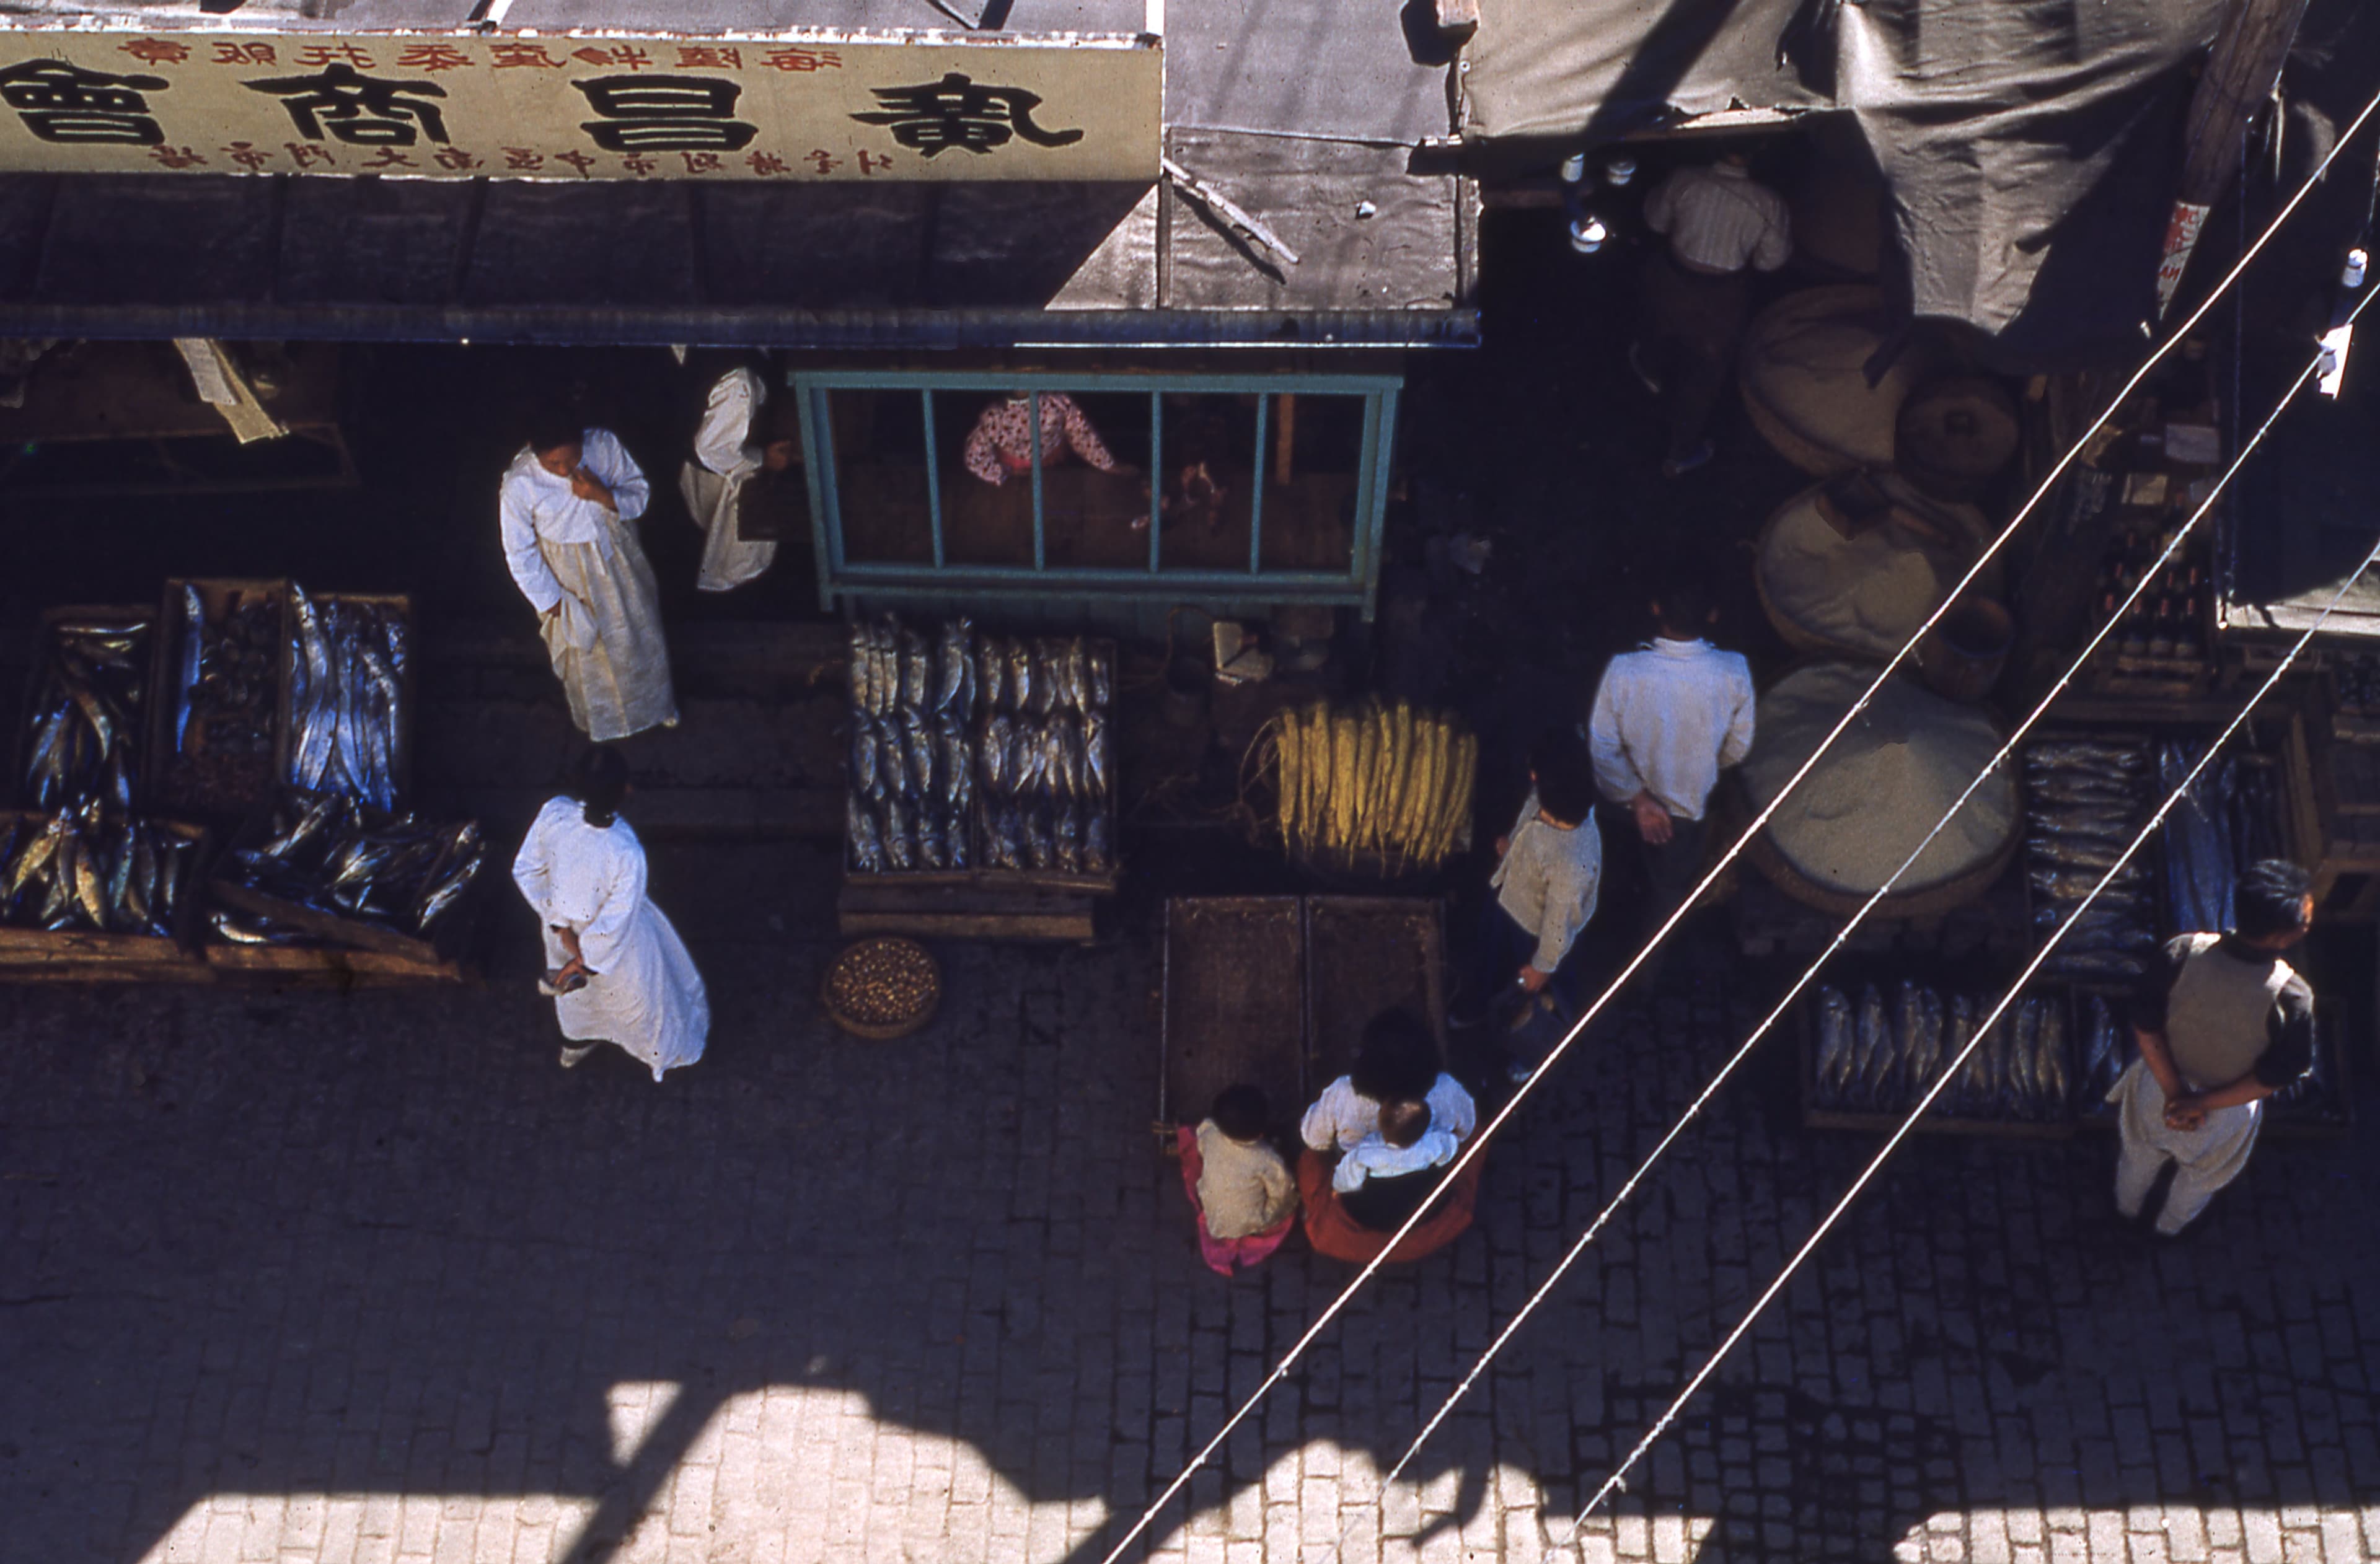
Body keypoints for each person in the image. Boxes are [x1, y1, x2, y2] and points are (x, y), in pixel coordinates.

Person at [2112, 859, 2316, 1237]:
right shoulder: (2292, 997)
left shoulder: (2182, 951)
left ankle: (2125, 1211)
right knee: (2200, 1179)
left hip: (2159, 1086)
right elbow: (2275, 1076)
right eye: (2304, 922)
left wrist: (2175, 1093)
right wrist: (2200, 1105)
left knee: (2138, 1155)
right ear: (2281, 937)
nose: (2307, 926)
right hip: (2225, 1112)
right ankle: (2168, 1228)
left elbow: (2146, 1024)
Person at [1587, 577, 1755, 984]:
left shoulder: (1624, 670)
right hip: (1683, 816)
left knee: (1604, 878)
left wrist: (1640, 800)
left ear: (1655, 608)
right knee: (1664, 901)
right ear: (1714, 615)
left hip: (1618, 807)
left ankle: (1590, 961)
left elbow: (1602, 747)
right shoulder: (1733, 670)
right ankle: (1642, 982)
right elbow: (1738, 748)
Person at [511, 746, 710, 1081]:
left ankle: (574, 1046)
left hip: (562, 936)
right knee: (635, 1000)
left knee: (577, 1002)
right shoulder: (625, 849)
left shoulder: (553, 814)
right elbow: (617, 919)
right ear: (624, 792)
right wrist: (586, 959)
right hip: (617, 951)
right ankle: (654, 1053)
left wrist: (560, 927)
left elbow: (527, 869)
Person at [499, 413, 679, 740]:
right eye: (554, 464)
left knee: (636, 635)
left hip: (616, 561)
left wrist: (603, 496)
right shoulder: (519, 484)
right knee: (591, 654)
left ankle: (654, 708)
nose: (566, 470)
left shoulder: (604, 446)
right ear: (533, 451)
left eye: (573, 458)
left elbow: (639, 493)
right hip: (567, 576)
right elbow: (519, 552)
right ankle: (606, 723)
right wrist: (550, 599)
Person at [1633, 149, 1792, 477]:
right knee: (1704, 374)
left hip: (1673, 279)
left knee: (1656, 327)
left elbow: (1655, 221)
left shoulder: (1684, 179)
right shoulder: (1769, 204)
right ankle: (1680, 452)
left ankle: (1650, 373)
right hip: (1723, 298)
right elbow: (1770, 262)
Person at [1453, 729, 1603, 1063]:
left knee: (1535, 998)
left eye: (1534, 773)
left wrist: (1543, 966)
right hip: (1509, 903)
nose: (1531, 777)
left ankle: (1531, 1054)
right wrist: (1513, 849)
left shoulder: (1571, 864)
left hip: (1537, 934)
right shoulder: (1550, 800)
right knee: (1490, 960)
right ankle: (1477, 1006)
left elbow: (1558, 925)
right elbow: (1529, 826)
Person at [678, 363, 798, 593]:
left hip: (714, 463)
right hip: (721, 477)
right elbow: (710, 450)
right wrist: (764, 458)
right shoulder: (739, 382)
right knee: (732, 555)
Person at [1302, 1007, 1477, 1154]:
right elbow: (1466, 1130)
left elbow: (1313, 1138)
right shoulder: (1446, 1088)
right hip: (1432, 1185)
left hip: (1361, 1188)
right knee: (1477, 1134)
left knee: (1310, 1159)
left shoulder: (1343, 1092)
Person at [1175, 1084, 1298, 1276]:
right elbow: (1283, 1192)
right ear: (1261, 1133)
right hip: (1253, 1222)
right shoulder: (1267, 1158)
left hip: (1215, 1221)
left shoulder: (1209, 1132)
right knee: (1287, 1202)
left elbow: (1201, 1144)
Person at [1331, 1098, 1460, 1232]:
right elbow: (1450, 1148)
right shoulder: (1434, 1143)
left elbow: (1348, 1182)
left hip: (1375, 1213)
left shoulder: (1365, 1153)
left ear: (1379, 1123)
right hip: (1420, 1206)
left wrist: (1337, 1189)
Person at [963, 390, 1127, 486]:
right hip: (1048, 463)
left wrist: (1002, 473)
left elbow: (975, 457)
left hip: (1028, 467)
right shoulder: (1058, 402)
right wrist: (1108, 465)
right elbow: (1082, 436)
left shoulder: (992, 415)